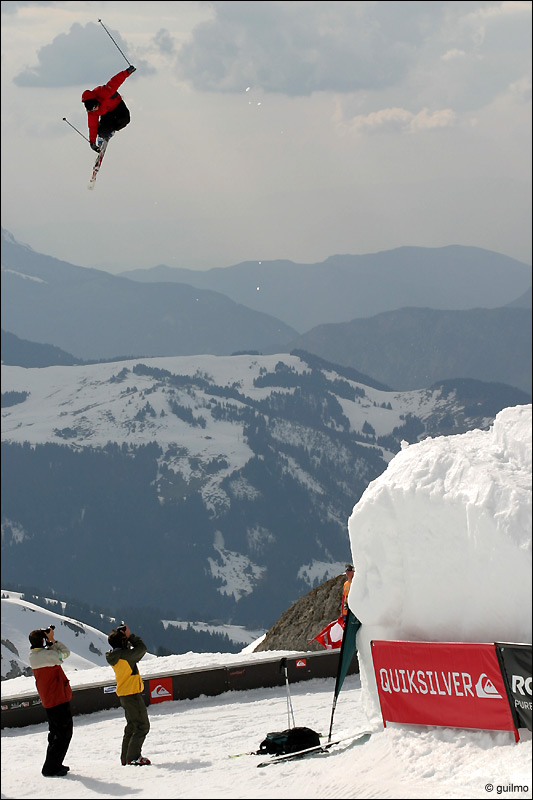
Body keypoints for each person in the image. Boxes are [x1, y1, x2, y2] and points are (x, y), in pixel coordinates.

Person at [29, 625, 73, 778]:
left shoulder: (33, 656)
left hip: (49, 699)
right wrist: (52, 639)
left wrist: (48, 643)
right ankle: (50, 768)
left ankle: (54, 764)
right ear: (42, 641)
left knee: (55, 733)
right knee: (63, 734)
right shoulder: (48, 656)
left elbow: (52, 655)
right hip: (58, 697)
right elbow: (66, 653)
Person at [106, 624, 151, 766]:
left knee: (132, 725)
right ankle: (133, 757)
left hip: (124, 694)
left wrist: (124, 638)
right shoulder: (125, 656)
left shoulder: (115, 656)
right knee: (142, 726)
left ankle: (125, 757)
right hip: (132, 694)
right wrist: (130, 636)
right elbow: (142, 649)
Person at [81, 66, 136, 153]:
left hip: (118, 106)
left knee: (125, 120)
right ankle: (102, 135)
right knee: (103, 131)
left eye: (95, 107)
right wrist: (92, 142)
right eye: (92, 110)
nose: (95, 110)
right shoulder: (92, 111)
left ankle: (111, 130)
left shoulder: (104, 92)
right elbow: (92, 125)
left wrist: (127, 72)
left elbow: (115, 81)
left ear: (96, 101)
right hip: (107, 114)